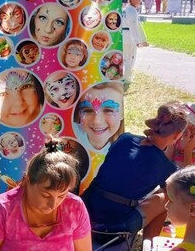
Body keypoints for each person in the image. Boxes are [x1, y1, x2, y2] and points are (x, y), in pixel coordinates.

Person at [81, 101, 188, 240]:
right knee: (165, 198)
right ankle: (148, 248)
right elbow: (179, 193)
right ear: (178, 135)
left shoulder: (125, 139)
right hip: (113, 225)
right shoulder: (165, 167)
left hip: (85, 210)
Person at [72, 82, 124, 154]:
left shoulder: (124, 150)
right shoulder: (67, 134)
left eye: (108, 110)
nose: (97, 121)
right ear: (78, 112)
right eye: (87, 110)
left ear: (122, 113)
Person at [166, 102, 195, 169]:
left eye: (193, 129)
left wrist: (188, 149)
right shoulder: (176, 140)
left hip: (193, 178)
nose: (188, 132)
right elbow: (166, 162)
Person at [122, 0, 148, 85]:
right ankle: (127, 78)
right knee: (130, 58)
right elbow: (134, 27)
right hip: (129, 36)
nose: (139, 1)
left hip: (123, 35)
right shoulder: (132, 11)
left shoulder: (124, 9)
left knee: (124, 58)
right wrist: (138, 41)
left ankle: (123, 76)